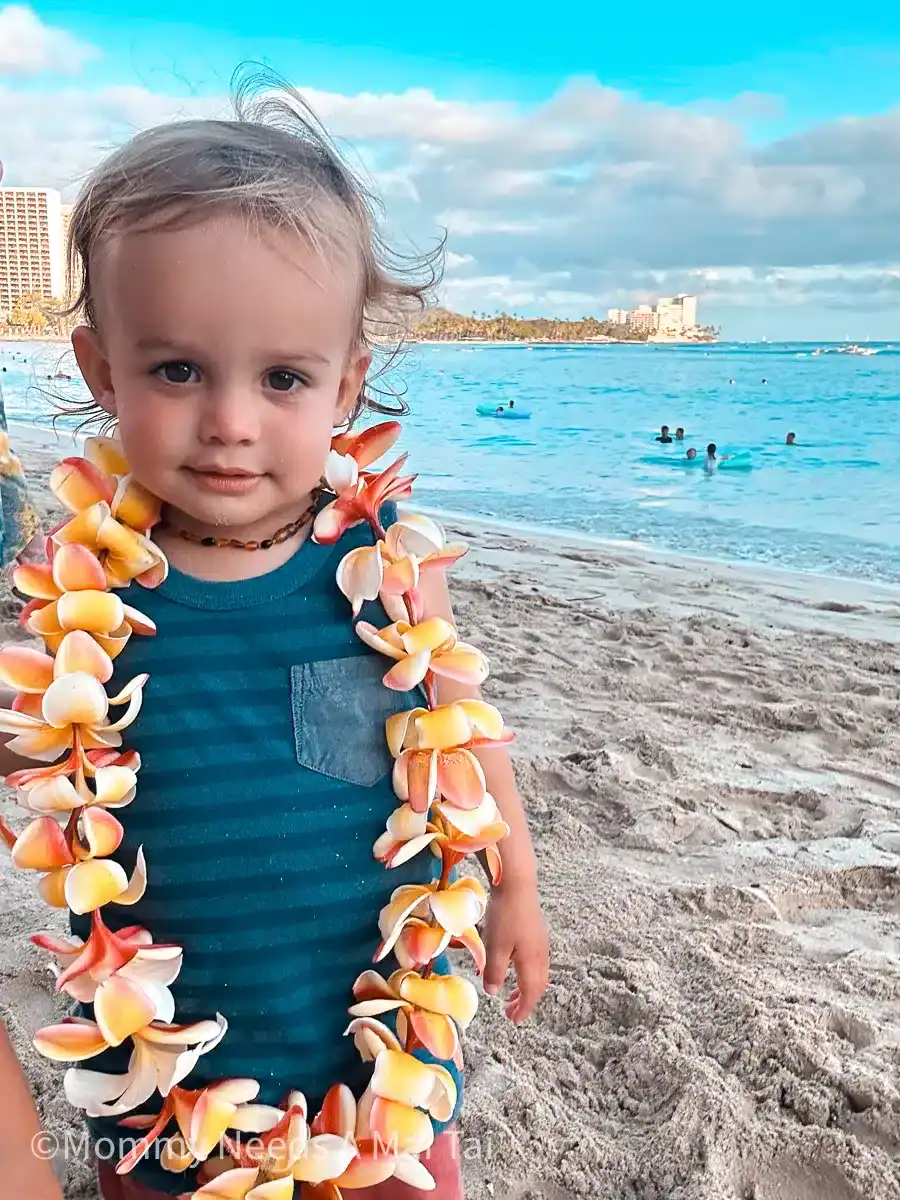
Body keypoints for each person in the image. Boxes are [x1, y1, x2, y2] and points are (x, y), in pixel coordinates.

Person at [0, 73, 549, 1200]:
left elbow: (461, 738)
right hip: (173, 1075)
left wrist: (519, 884)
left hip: (368, 1057)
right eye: (177, 370)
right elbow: (35, 753)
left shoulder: (386, 575)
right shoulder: (83, 609)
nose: (231, 422)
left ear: (346, 387)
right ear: (102, 369)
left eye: (283, 377)